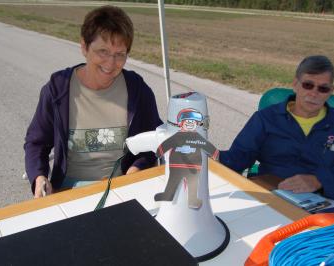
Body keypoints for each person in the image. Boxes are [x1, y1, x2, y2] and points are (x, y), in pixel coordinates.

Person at [24, 6, 162, 198]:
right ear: (84, 47)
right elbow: (36, 143)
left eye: (119, 54)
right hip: (68, 189)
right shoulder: (58, 89)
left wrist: (136, 170)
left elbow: (154, 141)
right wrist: (39, 177)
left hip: (122, 188)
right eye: (103, 51)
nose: (111, 63)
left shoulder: (137, 90)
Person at [219, 55, 334, 201]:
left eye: (323, 88)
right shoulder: (266, 118)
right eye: (308, 85)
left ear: (330, 91)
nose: (314, 93)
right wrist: (211, 156)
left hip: (319, 200)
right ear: (295, 84)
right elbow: (240, 156)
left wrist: (318, 180)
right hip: (269, 195)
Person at [154, 108, 219, 209]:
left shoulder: (197, 137)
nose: (190, 123)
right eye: (188, 121)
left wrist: (215, 153)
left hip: (193, 167)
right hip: (176, 165)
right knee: (173, 180)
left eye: (193, 122)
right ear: (181, 123)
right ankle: (168, 195)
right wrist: (159, 151)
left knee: (192, 183)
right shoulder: (177, 136)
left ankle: (192, 200)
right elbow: (167, 143)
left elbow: (206, 145)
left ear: (197, 124)